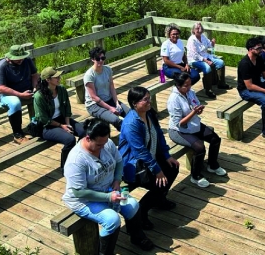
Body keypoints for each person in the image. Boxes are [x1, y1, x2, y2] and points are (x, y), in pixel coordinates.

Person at [62, 118, 155, 254]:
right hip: (84, 200)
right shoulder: (76, 160)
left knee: (133, 205)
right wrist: (108, 197)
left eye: (105, 142)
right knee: (112, 220)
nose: (103, 147)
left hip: (108, 189)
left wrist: (117, 180)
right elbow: (79, 192)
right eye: (99, 145)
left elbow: (118, 162)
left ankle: (137, 237)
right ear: (88, 138)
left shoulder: (106, 143)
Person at [118, 86, 180, 228]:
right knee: (160, 182)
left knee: (173, 167)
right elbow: (139, 151)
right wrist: (157, 170)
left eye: (149, 98)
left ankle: (159, 200)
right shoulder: (131, 123)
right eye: (145, 99)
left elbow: (158, 135)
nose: (149, 101)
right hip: (133, 165)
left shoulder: (148, 114)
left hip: (149, 158)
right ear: (134, 103)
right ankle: (142, 211)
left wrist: (166, 155)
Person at [167, 72, 226, 188]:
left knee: (215, 139)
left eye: (190, 84)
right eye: (186, 85)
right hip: (178, 130)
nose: (189, 87)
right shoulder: (173, 99)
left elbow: (195, 105)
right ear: (178, 86)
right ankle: (195, 175)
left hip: (194, 124)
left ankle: (212, 165)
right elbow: (179, 123)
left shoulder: (190, 92)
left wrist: (198, 110)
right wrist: (194, 112)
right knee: (200, 147)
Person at [33, 67, 85, 168]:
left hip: (62, 120)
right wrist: (61, 126)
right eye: (56, 77)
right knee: (70, 139)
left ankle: (78, 157)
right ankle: (66, 166)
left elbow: (67, 109)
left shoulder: (61, 89)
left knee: (84, 131)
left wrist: (68, 123)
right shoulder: (39, 96)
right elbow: (43, 119)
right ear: (48, 80)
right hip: (47, 126)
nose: (59, 78)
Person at [0, 45, 40, 144]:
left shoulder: (27, 60)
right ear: (10, 57)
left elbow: (35, 75)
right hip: (7, 95)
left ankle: (39, 125)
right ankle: (18, 134)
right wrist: (20, 94)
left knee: (43, 94)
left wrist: (35, 87)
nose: (20, 60)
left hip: (27, 90)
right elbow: (0, 88)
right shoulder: (2, 66)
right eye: (17, 59)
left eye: (22, 58)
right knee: (15, 103)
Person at [83, 47, 130, 131]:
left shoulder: (108, 69)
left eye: (103, 58)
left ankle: (132, 131)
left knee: (130, 113)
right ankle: (127, 134)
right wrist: (110, 108)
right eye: (98, 58)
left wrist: (116, 103)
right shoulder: (89, 75)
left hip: (109, 99)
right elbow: (94, 97)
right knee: (116, 119)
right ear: (92, 59)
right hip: (94, 105)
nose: (101, 61)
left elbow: (112, 87)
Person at [187, 22, 232, 99]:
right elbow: (195, 54)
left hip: (205, 56)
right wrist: (206, 61)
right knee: (207, 68)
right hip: (195, 60)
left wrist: (212, 43)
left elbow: (209, 45)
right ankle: (208, 90)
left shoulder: (203, 36)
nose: (199, 30)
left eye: (200, 28)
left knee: (221, 63)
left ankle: (221, 83)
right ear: (193, 30)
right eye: (197, 28)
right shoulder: (192, 40)